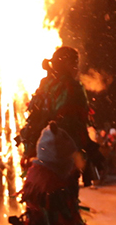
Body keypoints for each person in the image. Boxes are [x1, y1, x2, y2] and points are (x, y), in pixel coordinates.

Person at [19, 46, 99, 180]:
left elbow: (34, 122)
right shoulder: (72, 87)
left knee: (43, 195)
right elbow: (71, 125)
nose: (77, 68)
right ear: (68, 64)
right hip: (60, 156)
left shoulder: (45, 85)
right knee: (61, 196)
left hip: (40, 156)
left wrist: (31, 149)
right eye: (75, 64)